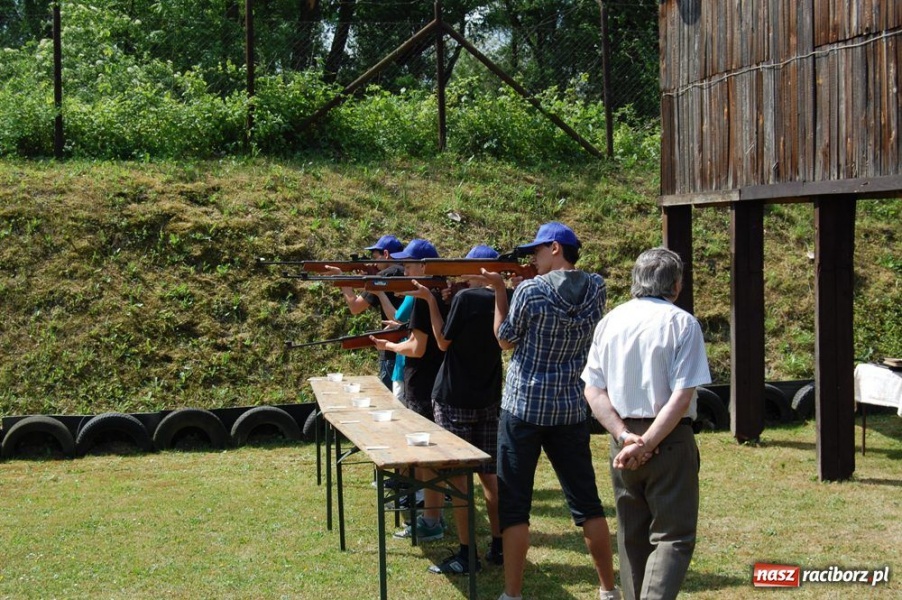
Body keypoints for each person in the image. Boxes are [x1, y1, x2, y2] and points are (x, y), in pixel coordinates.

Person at [477, 222, 619, 600]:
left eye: (536, 251)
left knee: (515, 506)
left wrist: (497, 292)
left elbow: (505, 339)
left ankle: (512, 594)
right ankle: (608, 589)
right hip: (571, 406)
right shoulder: (597, 287)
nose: (532, 259)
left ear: (555, 248)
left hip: (523, 407)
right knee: (587, 503)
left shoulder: (529, 291)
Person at [582, 247, 711, 600]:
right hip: (668, 440)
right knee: (673, 537)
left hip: (621, 441)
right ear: (677, 284)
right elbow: (681, 396)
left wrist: (626, 437)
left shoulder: (610, 321)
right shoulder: (683, 323)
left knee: (631, 536)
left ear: (635, 281)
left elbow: (593, 389)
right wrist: (648, 442)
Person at [405, 244, 508, 575]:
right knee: (490, 477)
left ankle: (467, 554)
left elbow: (443, 340)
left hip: (454, 398)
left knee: (458, 479)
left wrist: (433, 302)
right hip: (489, 396)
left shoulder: (466, 299)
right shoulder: (504, 299)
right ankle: (499, 544)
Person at [371, 238, 448, 542]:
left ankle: (430, 517)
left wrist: (388, 344)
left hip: (422, 383)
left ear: (423, 267)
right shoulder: (442, 294)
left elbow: (417, 348)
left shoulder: (421, 299)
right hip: (433, 381)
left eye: (410, 265)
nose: (404, 269)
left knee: (425, 455)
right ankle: (430, 512)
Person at [330, 234, 405, 390]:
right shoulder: (405, 271)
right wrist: (368, 276)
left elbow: (355, 306)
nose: (373, 262)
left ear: (385, 254)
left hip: (392, 351)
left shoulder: (386, 274)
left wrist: (341, 278)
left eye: (374, 256)